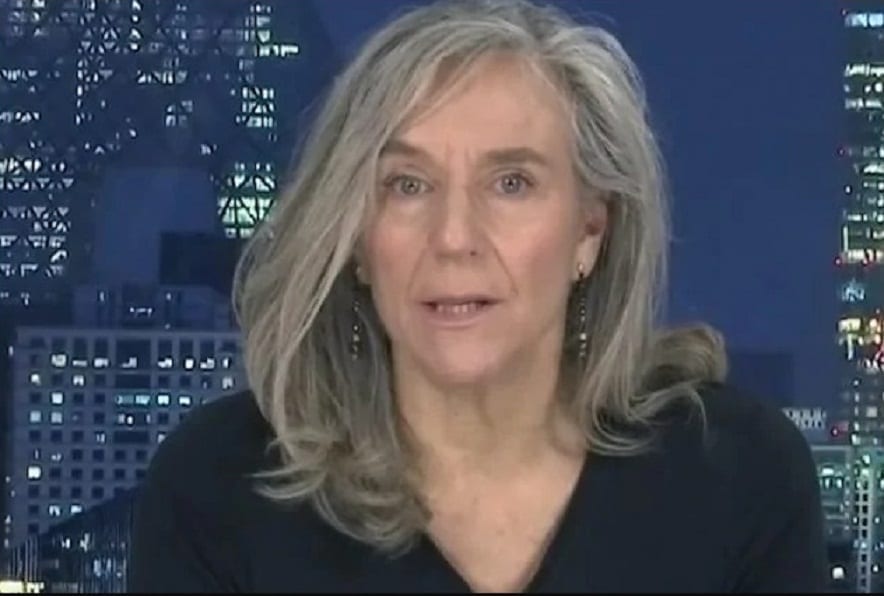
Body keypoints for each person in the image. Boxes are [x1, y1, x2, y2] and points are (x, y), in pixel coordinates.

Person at [127, 0, 827, 592]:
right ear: (357, 239)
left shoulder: (739, 476)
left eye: (511, 183)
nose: (454, 237)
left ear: (590, 231)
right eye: (407, 185)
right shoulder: (219, 487)